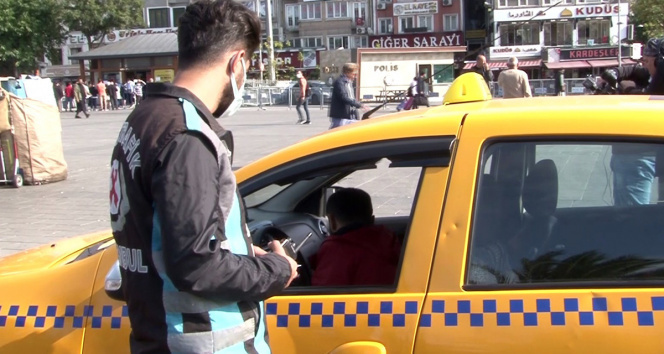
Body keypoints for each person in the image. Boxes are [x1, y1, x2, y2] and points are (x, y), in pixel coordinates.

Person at [109, 1, 298, 352]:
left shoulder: (144, 118)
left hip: (156, 333)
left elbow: (167, 234)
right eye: (248, 67)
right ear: (236, 62)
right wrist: (277, 268)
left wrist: (241, 253)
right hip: (200, 342)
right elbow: (197, 266)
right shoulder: (188, 135)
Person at [606, 37, 664, 206]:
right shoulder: (652, 73)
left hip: (641, 154)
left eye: (647, 61)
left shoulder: (659, 77)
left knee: (631, 216)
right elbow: (635, 70)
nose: (644, 65)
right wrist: (616, 73)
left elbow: (647, 100)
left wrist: (629, 90)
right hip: (651, 154)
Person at [310, 188, 401, 286]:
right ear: (372, 219)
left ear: (332, 221)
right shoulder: (389, 239)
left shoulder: (338, 250)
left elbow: (323, 294)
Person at [328, 63, 367, 129]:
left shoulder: (348, 83)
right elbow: (344, 97)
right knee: (337, 135)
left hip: (350, 115)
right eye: (354, 74)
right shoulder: (340, 82)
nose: (355, 76)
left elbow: (351, 98)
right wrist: (359, 105)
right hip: (341, 116)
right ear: (347, 72)